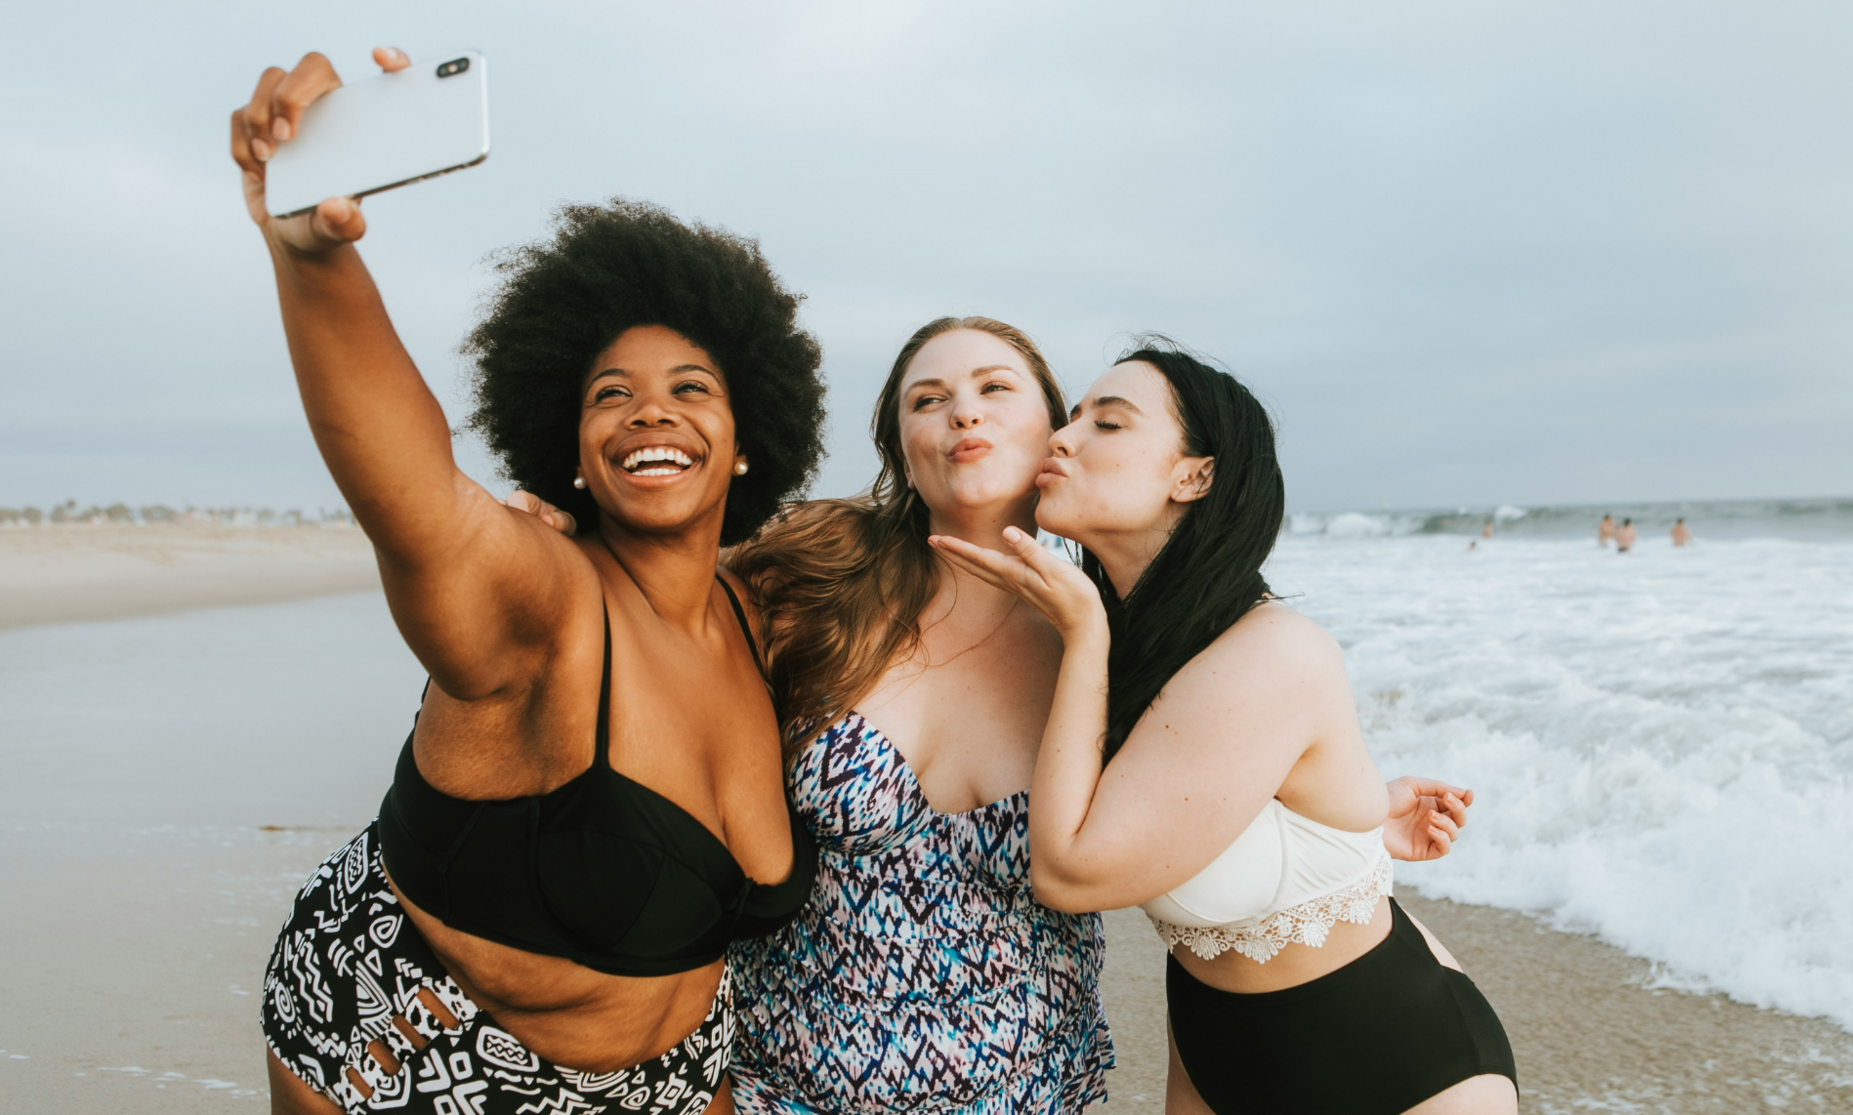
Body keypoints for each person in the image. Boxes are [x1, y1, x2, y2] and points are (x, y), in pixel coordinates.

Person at [512, 320, 1475, 1111]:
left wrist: (1354, 817)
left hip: (1030, 1090)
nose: (960, 409)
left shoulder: (1132, 642)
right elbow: (654, 624)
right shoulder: (812, 572)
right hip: (784, 1083)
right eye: (926, 400)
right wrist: (575, 547)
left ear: (1056, 436)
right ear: (903, 447)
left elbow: (1213, 772)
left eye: (994, 389)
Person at [236, 49, 824, 1115]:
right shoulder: (541, 598)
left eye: (690, 388)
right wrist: (311, 261)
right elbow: (410, 488)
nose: (650, 411)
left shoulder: (757, 606)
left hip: (678, 1076)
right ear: (570, 443)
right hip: (413, 1044)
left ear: (746, 441)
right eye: (611, 394)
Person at [935, 344, 1515, 1115]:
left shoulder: (1269, 649)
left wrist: (1082, 633)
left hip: (1398, 1068)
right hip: (1213, 1047)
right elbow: (1207, 789)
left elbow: (1069, 872)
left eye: (1107, 422)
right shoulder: (1137, 640)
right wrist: (1362, 817)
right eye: (1070, 418)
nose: (1064, 439)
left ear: (1193, 474)